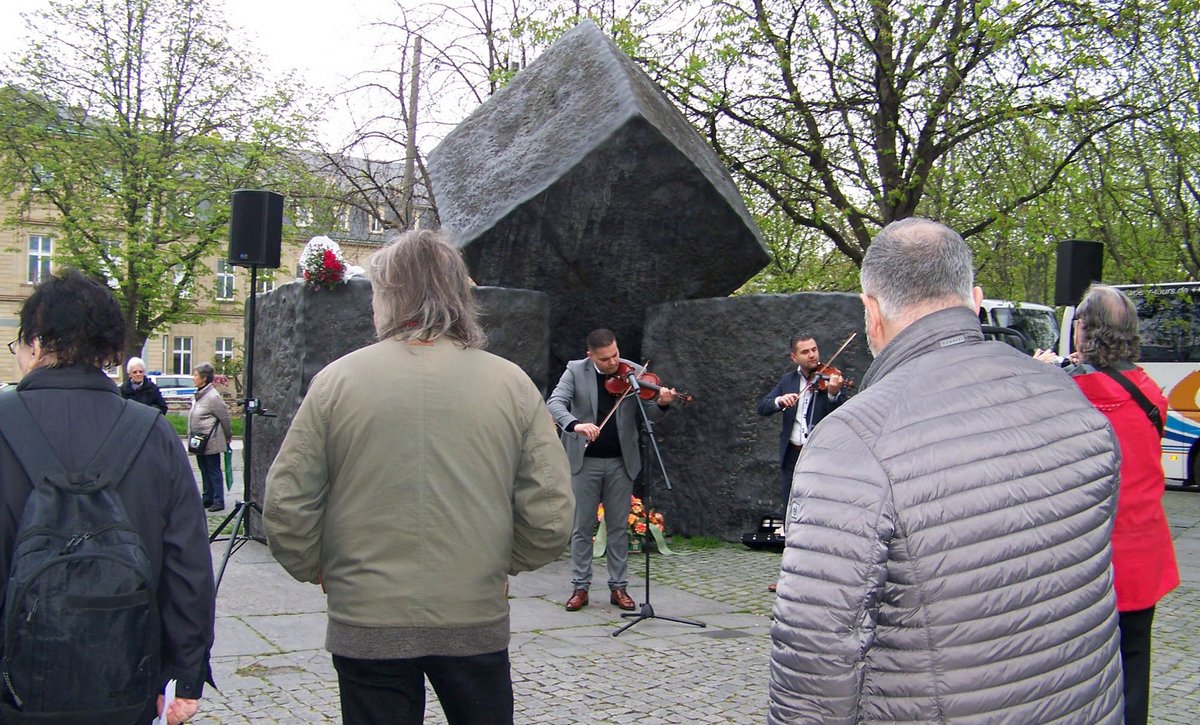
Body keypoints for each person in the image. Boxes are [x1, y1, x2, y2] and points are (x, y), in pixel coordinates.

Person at [768, 218, 1124, 723]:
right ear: (974, 299)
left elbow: (816, 653)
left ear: (870, 310)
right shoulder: (1069, 396)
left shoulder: (853, 440)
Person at [263, 229, 573, 725]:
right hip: (472, 611)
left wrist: (316, 566)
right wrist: (499, 564)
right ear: (459, 295)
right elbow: (552, 512)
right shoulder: (511, 383)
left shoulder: (335, 382)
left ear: (387, 298)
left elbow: (286, 504)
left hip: (367, 614)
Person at [0, 270, 214, 725]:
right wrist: (186, 677)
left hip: (11, 690)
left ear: (35, 344)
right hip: (126, 685)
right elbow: (188, 566)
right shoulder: (152, 434)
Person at [1043, 284, 1180, 725]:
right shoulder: (1151, 392)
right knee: (1134, 667)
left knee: (1074, 674)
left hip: (1083, 562)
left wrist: (1044, 373)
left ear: (1083, 331)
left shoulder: (1064, 392)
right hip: (1143, 558)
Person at [546, 329, 677, 612]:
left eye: (615, 354)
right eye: (605, 358)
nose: (613, 362)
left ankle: (619, 587)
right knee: (582, 527)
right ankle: (580, 587)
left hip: (621, 462)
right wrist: (575, 425)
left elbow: (648, 415)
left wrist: (663, 404)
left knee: (618, 528)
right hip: (584, 462)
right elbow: (554, 403)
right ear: (590, 355)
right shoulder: (574, 370)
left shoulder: (634, 372)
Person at [757, 333, 846, 510]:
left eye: (814, 349)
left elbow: (841, 414)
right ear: (794, 357)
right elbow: (763, 407)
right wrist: (779, 401)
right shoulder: (787, 381)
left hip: (820, 454)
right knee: (790, 505)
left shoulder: (830, 377)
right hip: (792, 454)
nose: (812, 355)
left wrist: (832, 394)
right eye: (805, 352)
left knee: (819, 505)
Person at [187, 362, 231, 513]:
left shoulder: (213, 397)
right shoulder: (198, 395)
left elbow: (225, 418)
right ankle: (207, 498)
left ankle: (218, 500)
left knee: (213, 470)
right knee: (203, 469)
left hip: (210, 440)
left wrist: (228, 436)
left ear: (204, 378)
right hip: (199, 441)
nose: (193, 378)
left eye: (196, 375)